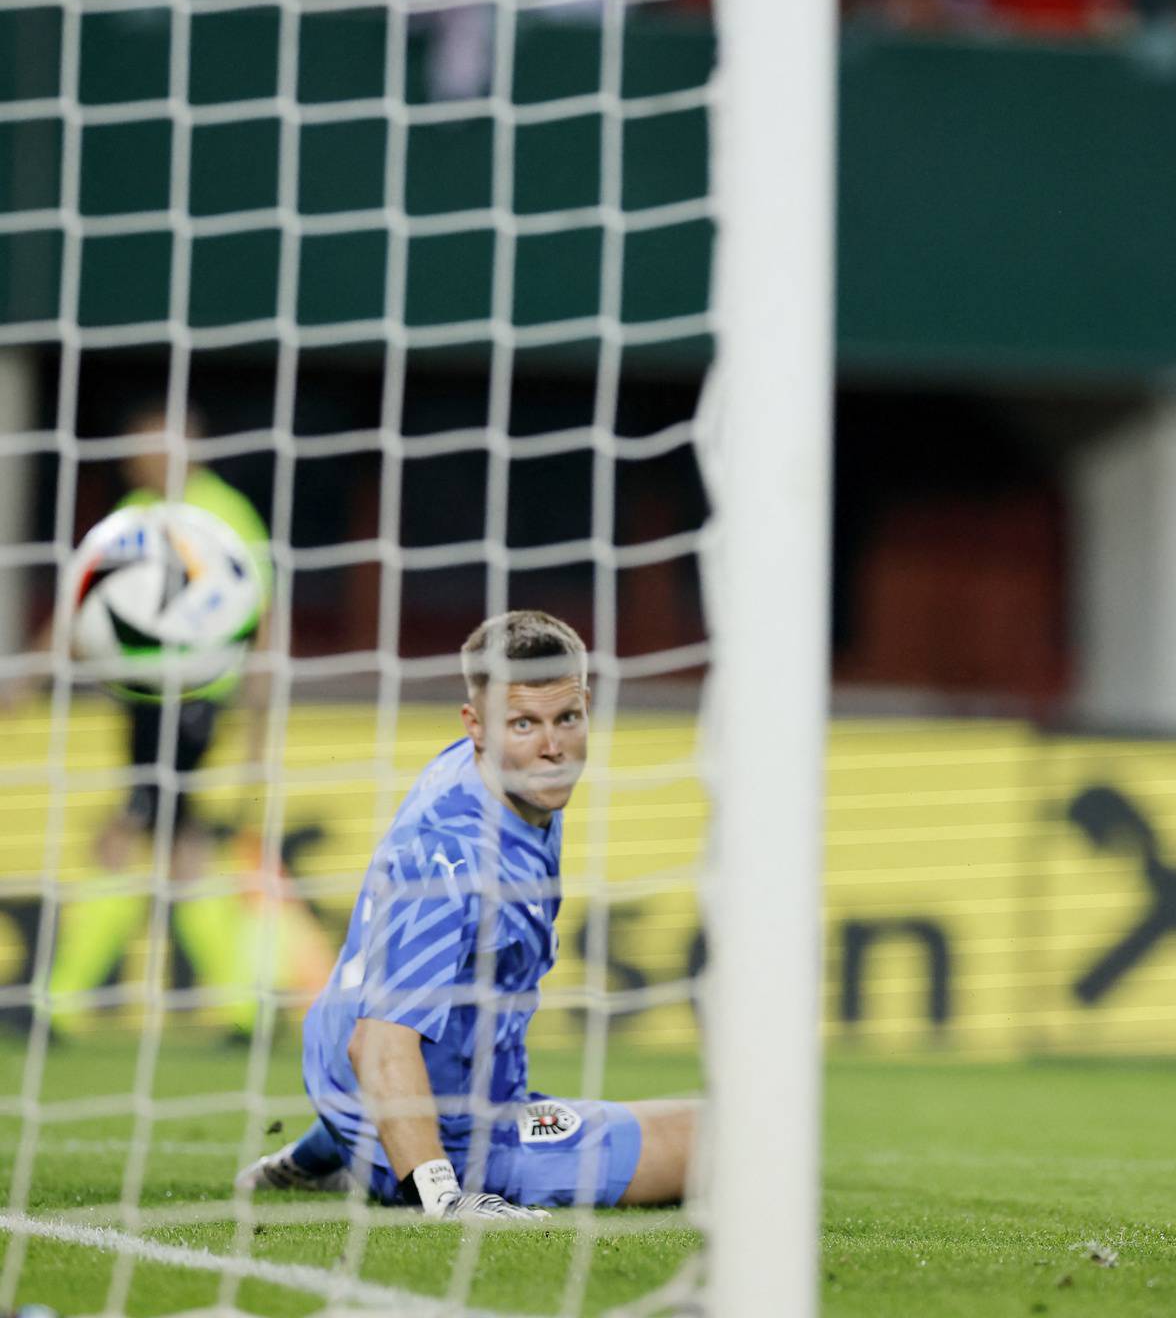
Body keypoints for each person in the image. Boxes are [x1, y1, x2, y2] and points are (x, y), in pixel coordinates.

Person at [237, 610, 697, 1216]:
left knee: (475, 998)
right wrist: (442, 1198)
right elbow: (377, 1044)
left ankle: (324, 1151)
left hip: (345, 1079)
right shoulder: (453, 859)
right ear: (475, 725)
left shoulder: (491, 774)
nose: (552, 747)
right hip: (439, 1128)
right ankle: (379, 1158)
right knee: (723, 1138)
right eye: (524, 724)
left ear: (586, 705)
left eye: (567, 718)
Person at [2, 400, 275, 1039]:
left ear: (192, 448)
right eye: (139, 446)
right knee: (182, 852)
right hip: (142, 704)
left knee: (126, 840)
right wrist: (30, 675)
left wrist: (260, 724)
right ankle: (246, 1008)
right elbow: (86, 605)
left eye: (161, 445)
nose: (146, 458)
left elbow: (264, 617)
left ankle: (55, 1006)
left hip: (196, 704)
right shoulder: (130, 519)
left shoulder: (225, 517)